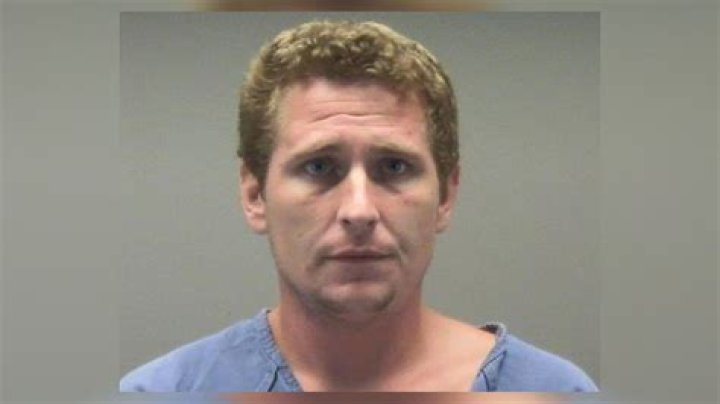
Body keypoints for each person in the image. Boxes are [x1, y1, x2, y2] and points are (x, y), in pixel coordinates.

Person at [119, 20, 598, 392]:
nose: (359, 210)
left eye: (393, 167)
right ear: (254, 195)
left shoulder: (554, 390)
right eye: (318, 167)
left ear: (446, 196)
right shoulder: (162, 390)